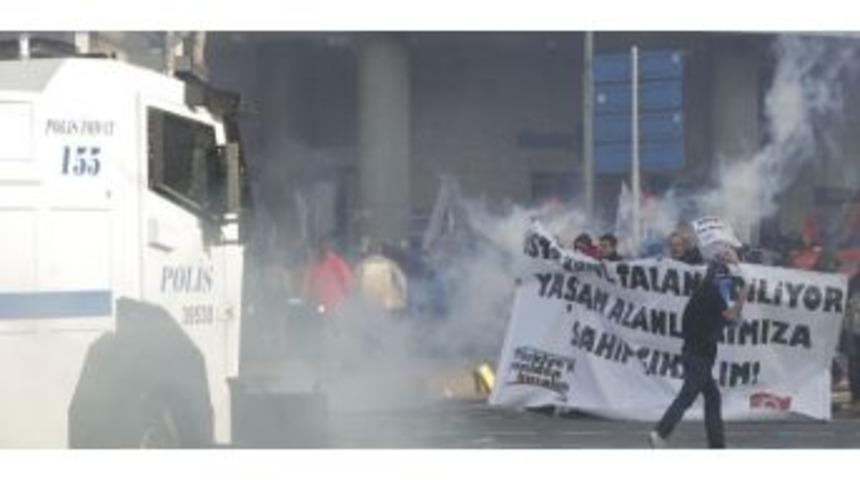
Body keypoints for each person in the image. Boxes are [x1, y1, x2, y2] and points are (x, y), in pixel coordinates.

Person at [649, 246, 751, 449]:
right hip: (699, 355)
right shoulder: (712, 294)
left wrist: (735, 264)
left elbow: (728, 318)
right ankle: (661, 432)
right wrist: (742, 297)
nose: (727, 284)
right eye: (724, 279)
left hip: (695, 352)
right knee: (688, 396)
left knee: (712, 397)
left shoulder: (704, 292)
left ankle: (716, 444)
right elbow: (731, 316)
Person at [301, 239, 354, 314]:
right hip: (320, 304)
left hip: (336, 303)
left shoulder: (335, 261)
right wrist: (306, 297)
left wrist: (346, 295)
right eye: (319, 248)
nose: (321, 250)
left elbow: (347, 279)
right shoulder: (314, 265)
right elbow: (308, 283)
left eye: (323, 247)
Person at [354, 242, 408, 314]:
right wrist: (403, 298)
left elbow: (354, 284)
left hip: (367, 303)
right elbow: (401, 282)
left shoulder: (362, 266)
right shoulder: (391, 265)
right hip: (386, 303)